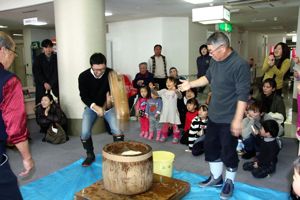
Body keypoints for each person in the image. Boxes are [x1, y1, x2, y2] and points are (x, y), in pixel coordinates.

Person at [178, 32, 251, 199]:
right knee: (211, 148)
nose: (209, 54)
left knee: (229, 152)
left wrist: (238, 120)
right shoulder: (215, 61)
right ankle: (217, 178)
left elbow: (242, 95)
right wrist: (191, 84)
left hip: (230, 118)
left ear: (223, 48)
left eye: (211, 51)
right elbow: (207, 78)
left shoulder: (240, 65)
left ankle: (229, 182)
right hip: (214, 115)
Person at [0, 31, 34, 200]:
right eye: (13, 53)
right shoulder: (8, 80)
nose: (13, 58)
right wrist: (27, 157)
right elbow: (15, 126)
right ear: (3, 51)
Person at [78, 53, 124, 167]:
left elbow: (115, 94)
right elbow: (84, 96)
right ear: (91, 66)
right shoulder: (83, 76)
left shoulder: (110, 73)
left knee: (117, 130)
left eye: (102, 69)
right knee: (84, 132)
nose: (99, 72)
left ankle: (118, 155)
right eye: (96, 70)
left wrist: (108, 103)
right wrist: (96, 107)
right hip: (92, 107)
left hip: (108, 107)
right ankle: (90, 155)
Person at [149, 76, 182, 143]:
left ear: (175, 83)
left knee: (175, 125)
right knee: (165, 125)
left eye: (170, 82)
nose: (168, 83)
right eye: (167, 82)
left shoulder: (176, 91)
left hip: (173, 112)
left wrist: (175, 90)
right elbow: (156, 94)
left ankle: (176, 137)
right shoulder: (163, 91)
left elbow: (180, 96)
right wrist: (151, 89)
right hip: (165, 112)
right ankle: (164, 136)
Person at [32, 39, 59, 105]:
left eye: (49, 47)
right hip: (41, 86)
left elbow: (57, 72)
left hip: (54, 86)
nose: (48, 49)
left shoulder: (57, 58)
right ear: (43, 48)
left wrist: (51, 83)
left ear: (52, 48)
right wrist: (44, 83)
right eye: (46, 47)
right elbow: (37, 72)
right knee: (41, 105)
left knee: (55, 105)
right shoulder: (38, 59)